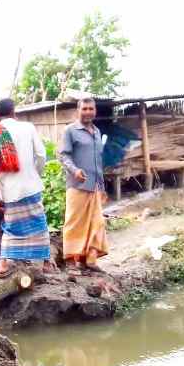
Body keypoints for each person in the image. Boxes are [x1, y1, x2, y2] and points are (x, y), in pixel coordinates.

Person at [0, 99, 52, 277]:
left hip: (10, 191)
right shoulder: (28, 127)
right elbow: (41, 155)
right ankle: (45, 263)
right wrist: (34, 173)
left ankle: (4, 265)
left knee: (11, 228)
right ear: (14, 112)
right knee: (38, 223)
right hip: (31, 187)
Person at [58, 97, 108, 274]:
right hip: (77, 185)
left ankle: (90, 260)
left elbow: (98, 162)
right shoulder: (70, 131)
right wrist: (75, 170)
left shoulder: (96, 132)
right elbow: (63, 155)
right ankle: (72, 262)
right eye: (84, 109)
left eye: (91, 109)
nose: (88, 112)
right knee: (74, 223)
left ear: (95, 111)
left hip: (94, 186)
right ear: (78, 111)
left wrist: (101, 187)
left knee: (97, 222)